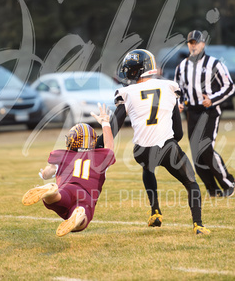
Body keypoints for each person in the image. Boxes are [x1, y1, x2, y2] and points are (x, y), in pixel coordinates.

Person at [101, 49, 210, 235]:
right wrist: (169, 145)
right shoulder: (169, 87)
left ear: (138, 70)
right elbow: (178, 132)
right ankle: (198, 225)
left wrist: (96, 137)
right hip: (168, 148)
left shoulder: (126, 92)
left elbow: (113, 129)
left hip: (141, 151)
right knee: (191, 182)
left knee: (148, 167)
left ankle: (156, 211)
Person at [21, 104, 115, 237]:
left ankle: (50, 191)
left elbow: (48, 172)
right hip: (87, 195)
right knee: (81, 223)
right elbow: (109, 147)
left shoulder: (62, 155)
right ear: (93, 141)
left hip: (66, 188)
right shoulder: (100, 157)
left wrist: (44, 174)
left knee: (55, 201)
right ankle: (79, 212)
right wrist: (105, 123)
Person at [174, 30, 235, 198]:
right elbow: (178, 90)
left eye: (196, 42)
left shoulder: (214, 64)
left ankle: (228, 182)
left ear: (203, 44)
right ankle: (212, 189)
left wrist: (212, 99)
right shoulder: (182, 67)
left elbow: (229, 86)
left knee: (206, 149)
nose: (193, 45)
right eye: (190, 43)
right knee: (196, 154)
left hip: (209, 111)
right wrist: (179, 103)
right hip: (192, 112)